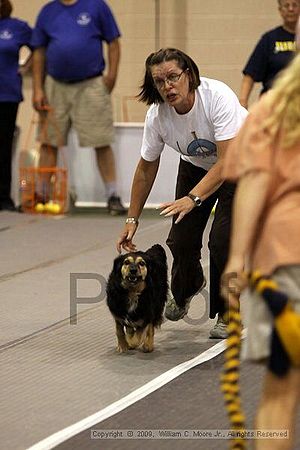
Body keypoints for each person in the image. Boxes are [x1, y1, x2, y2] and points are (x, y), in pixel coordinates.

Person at [116, 48, 247, 339]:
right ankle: (187, 287)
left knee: (222, 241)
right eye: (159, 81)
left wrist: (193, 198)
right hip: (196, 167)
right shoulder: (158, 116)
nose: (167, 86)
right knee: (181, 239)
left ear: (189, 74)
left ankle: (229, 313)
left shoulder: (217, 97)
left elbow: (226, 163)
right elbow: (146, 169)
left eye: (173, 77)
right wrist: (132, 220)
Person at [222, 50, 300, 450]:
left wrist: (236, 259)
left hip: (285, 255)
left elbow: (253, 182)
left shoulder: (273, 107)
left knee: (281, 388)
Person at [30, 0, 126, 215]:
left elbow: (113, 43)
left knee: (101, 141)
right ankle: (42, 195)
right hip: (54, 84)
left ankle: (113, 195)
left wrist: (111, 76)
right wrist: (37, 88)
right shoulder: (48, 11)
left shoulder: (97, 6)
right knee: (48, 141)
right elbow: (39, 52)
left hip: (91, 83)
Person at [0, 0, 32, 211]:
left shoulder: (17, 27)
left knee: (3, 146)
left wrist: (25, 67)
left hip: (7, 94)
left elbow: (39, 47)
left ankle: (3, 197)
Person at [239, 0, 300, 109]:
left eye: (295, 5)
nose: (291, 9)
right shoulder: (269, 39)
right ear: (280, 10)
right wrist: (242, 104)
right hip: (273, 104)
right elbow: (249, 76)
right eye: (286, 6)